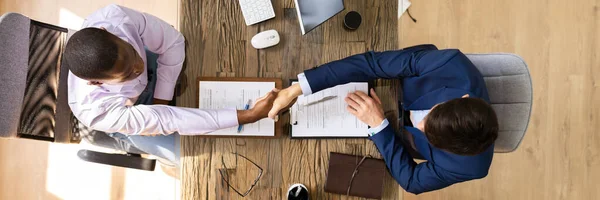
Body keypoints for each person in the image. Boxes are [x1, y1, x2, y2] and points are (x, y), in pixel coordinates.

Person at [268, 44, 499, 194]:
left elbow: (412, 181)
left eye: (428, 133)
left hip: (393, 136)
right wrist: (295, 90)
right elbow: (370, 64)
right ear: (463, 97)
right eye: (430, 115)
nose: (419, 125)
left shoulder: (471, 167)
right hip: (397, 87)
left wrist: (379, 125)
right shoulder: (449, 63)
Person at [65, 4, 278, 166]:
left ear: (107, 31)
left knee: (204, 61)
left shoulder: (114, 17)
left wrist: (162, 99)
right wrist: (247, 116)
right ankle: (123, 141)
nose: (138, 66)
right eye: (128, 73)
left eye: (131, 52)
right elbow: (167, 119)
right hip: (127, 112)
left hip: (152, 81)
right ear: (97, 82)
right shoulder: (94, 111)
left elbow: (174, 42)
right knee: (198, 158)